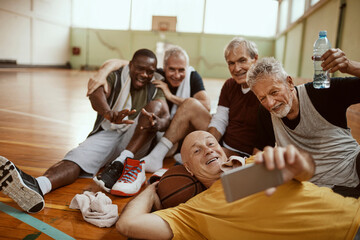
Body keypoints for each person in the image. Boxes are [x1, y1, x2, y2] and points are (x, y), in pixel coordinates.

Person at [0, 49, 170, 213]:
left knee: (153, 109)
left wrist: (157, 123)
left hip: (136, 139)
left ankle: (121, 161)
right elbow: (95, 92)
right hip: (109, 130)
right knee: (75, 159)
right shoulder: (117, 76)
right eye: (140, 69)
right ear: (131, 65)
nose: (145, 75)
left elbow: (166, 116)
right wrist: (108, 113)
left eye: (150, 71)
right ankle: (38, 186)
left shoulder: (156, 84)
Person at [115, 130, 360, 240]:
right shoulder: (192, 212)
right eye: (197, 150)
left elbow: (305, 170)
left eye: (211, 143)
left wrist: (298, 162)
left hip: (353, 214)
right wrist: (153, 187)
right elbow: (128, 224)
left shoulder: (255, 163)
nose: (208, 150)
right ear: (187, 168)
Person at [247, 49, 360, 197]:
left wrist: (350, 66)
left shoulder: (322, 91)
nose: (270, 103)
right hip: (316, 190)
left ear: (289, 82)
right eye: (262, 98)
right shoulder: (265, 113)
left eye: (274, 92)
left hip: (353, 167)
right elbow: (260, 149)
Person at [137, 37, 260, 172]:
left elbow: (267, 137)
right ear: (165, 68)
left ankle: (188, 158)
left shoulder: (263, 88)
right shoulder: (229, 85)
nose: (237, 68)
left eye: (242, 60)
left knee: (192, 160)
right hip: (223, 142)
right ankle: (156, 156)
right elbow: (220, 120)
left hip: (242, 154)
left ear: (255, 59)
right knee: (190, 104)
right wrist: (208, 145)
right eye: (231, 63)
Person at [87, 46, 211, 172]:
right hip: (162, 132)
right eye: (172, 69)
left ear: (187, 68)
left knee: (190, 104)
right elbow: (119, 63)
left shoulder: (193, 77)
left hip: (184, 134)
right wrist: (101, 74)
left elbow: (205, 106)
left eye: (181, 70)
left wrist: (170, 96)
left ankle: (163, 154)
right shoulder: (155, 74)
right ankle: (126, 157)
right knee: (151, 114)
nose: (177, 75)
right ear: (164, 67)